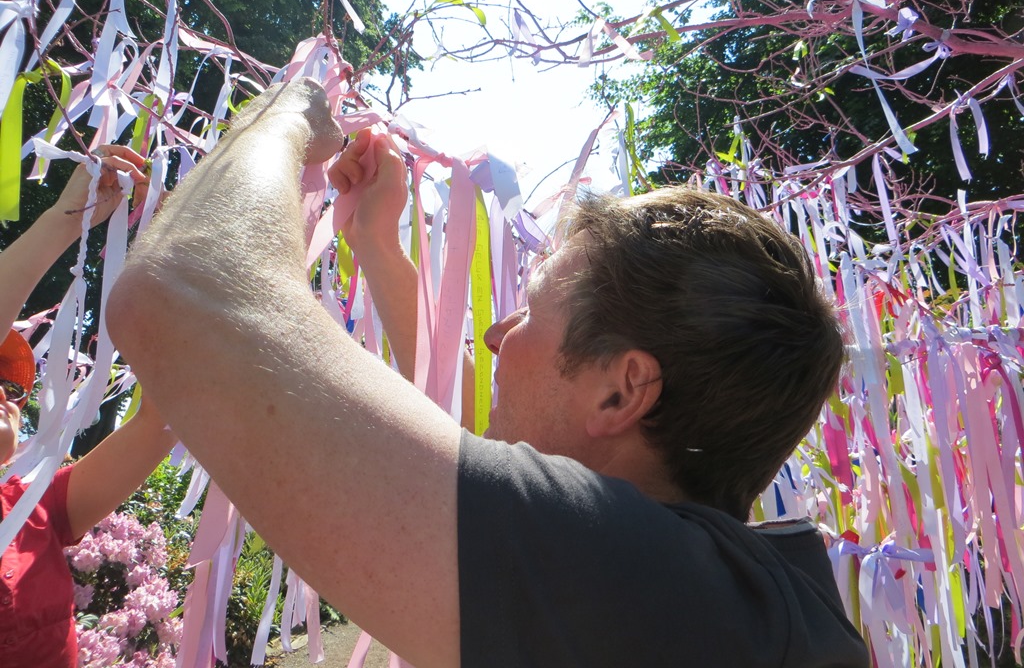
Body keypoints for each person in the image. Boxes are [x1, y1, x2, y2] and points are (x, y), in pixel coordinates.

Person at [108, 80, 869, 667]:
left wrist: (283, 119)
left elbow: (182, 292)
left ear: (621, 390)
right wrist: (377, 242)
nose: (497, 335)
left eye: (532, 309)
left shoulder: (625, 574)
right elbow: (455, 437)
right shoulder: (728, 601)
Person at [0, 148, 177, 668]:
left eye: (8, 385)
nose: (5, 395)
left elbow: (162, 420)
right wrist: (66, 218)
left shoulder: (40, 507)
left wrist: (174, 256)